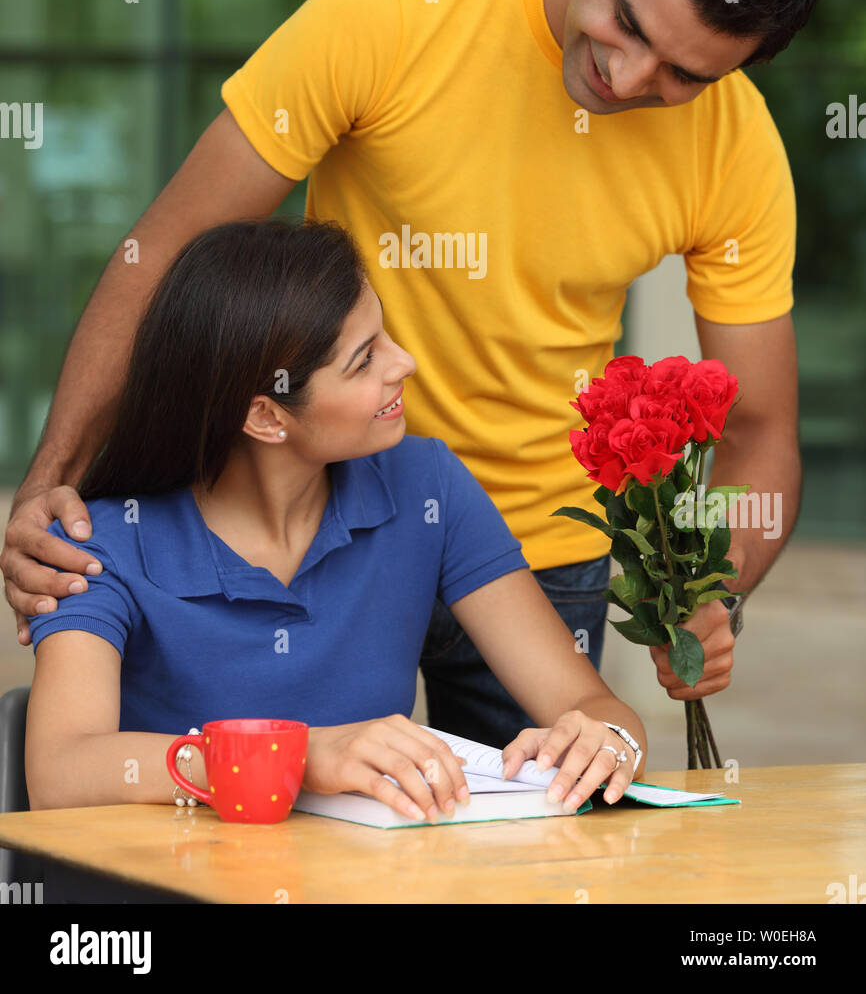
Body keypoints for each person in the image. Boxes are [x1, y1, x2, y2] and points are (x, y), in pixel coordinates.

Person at [3, 0, 827, 748]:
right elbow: (162, 256)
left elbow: (758, 430)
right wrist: (54, 477)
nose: (626, 80)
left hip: (536, 555)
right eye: (626, 22)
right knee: (283, 825)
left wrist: (712, 591)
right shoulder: (393, 12)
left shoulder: (733, 145)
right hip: (325, 523)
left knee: (531, 866)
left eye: (683, 76)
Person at [24, 219, 646, 820]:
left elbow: (592, 704)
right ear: (266, 417)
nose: (404, 364)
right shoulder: (97, 540)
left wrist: (608, 743)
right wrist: (293, 758)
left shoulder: (426, 485)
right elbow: (60, 771)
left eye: (386, 336)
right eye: (364, 360)